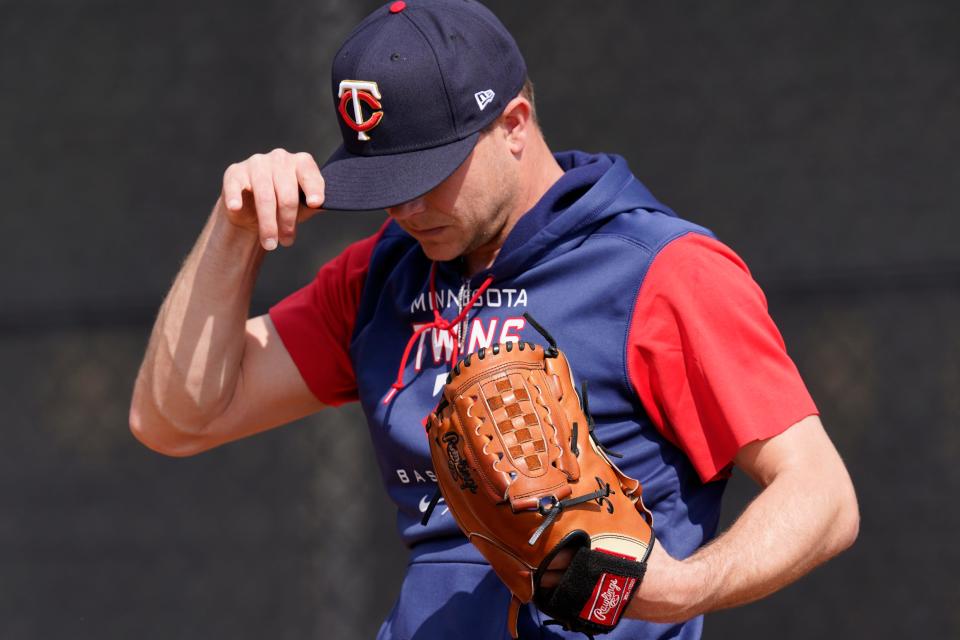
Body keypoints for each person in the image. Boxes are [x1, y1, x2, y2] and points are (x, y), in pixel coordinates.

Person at [129, 1, 859, 637]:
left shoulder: (657, 269)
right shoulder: (383, 272)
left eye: (426, 176)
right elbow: (177, 419)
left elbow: (822, 495)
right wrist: (233, 233)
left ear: (514, 124)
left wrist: (681, 589)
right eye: (384, 183)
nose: (406, 209)